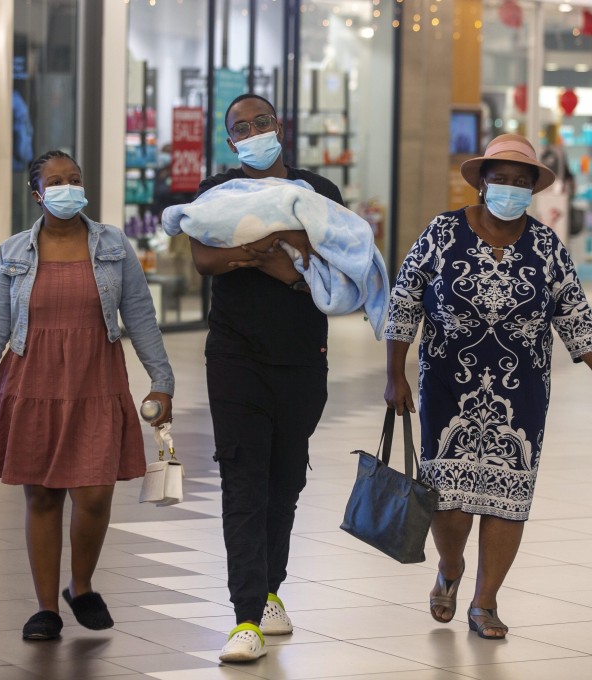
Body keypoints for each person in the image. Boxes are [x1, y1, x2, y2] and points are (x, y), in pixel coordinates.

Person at [383, 134, 592, 641]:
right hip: (446, 387)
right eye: (502, 180)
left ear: (534, 190)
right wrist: (394, 374)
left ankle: (485, 601)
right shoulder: (442, 233)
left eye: (522, 182)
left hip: (521, 393)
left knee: (506, 498)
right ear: (482, 183)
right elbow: (405, 299)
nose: (511, 189)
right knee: (447, 499)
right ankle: (450, 569)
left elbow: (576, 316)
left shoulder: (546, 246)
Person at [0, 150, 174, 641]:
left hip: (96, 381)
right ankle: (46, 608)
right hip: (32, 383)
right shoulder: (13, 253)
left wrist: (162, 381)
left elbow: (140, 317)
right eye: (56, 182)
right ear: (36, 194)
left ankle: (83, 584)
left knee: (94, 495)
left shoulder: (113, 245)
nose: (68, 188)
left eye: (74, 179)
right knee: (44, 496)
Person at [188, 93, 343, 663]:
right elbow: (205, 259)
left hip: (303, 358)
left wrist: (253, 254)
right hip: (235, 358)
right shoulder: (218, 191)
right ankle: (245, 616)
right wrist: (279, 252)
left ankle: (272, 588)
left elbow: (331, 270)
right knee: (243, 480)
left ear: (280, 125)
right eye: (240, 127)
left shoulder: (319, 192)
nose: (252, 132)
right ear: (230, 140)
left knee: (286, 481)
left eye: (261, 122)